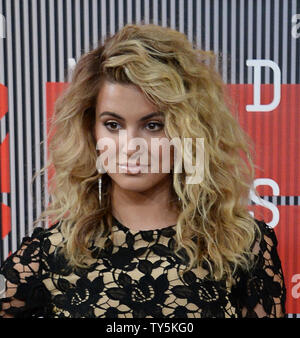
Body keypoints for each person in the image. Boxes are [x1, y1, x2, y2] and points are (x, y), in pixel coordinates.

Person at [0, 23, 286, 318]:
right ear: (91, 131)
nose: (130, 146)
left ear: (188, 131)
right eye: (113, 125)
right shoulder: (50, 255)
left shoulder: (241, 247)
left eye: (153, 125)